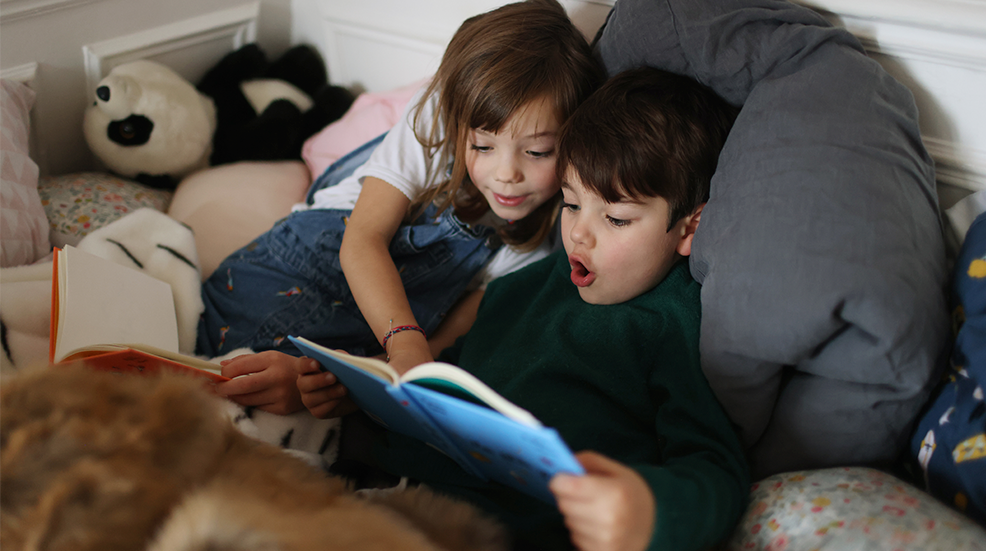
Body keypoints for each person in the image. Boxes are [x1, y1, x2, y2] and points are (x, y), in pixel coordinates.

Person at [300, 67, 749, 551]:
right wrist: (362, 393)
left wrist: (650, 508)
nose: (579, 233)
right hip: (394, 485)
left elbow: (716, 470)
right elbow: (449, 380)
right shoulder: (529, 285)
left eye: (616, 218)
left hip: (505, 530)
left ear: (689, 228)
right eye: (572, 204)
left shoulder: (673, 322)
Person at [200, 0, 603, 414]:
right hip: (296, 269)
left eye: (537, 152)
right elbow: (362, 240)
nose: (506, 174)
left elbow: (440, 346)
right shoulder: (434, 119)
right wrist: (404, 343)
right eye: (483, 145)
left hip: (367, 339)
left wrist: (343, 384)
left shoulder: (540, 247)